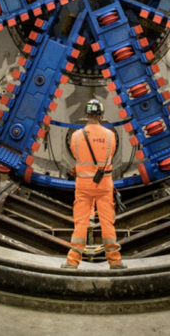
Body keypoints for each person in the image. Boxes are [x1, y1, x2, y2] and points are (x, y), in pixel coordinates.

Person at [64, 99, 124, 270]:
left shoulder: (75, 136)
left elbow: (77, 156)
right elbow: (110, 154)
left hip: (83, 186)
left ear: (86, 115)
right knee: (107, 223)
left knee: (80, 223)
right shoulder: (110, 135)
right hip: (104, 186)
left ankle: (72, 261)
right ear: (101, 115)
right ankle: (114, 261)